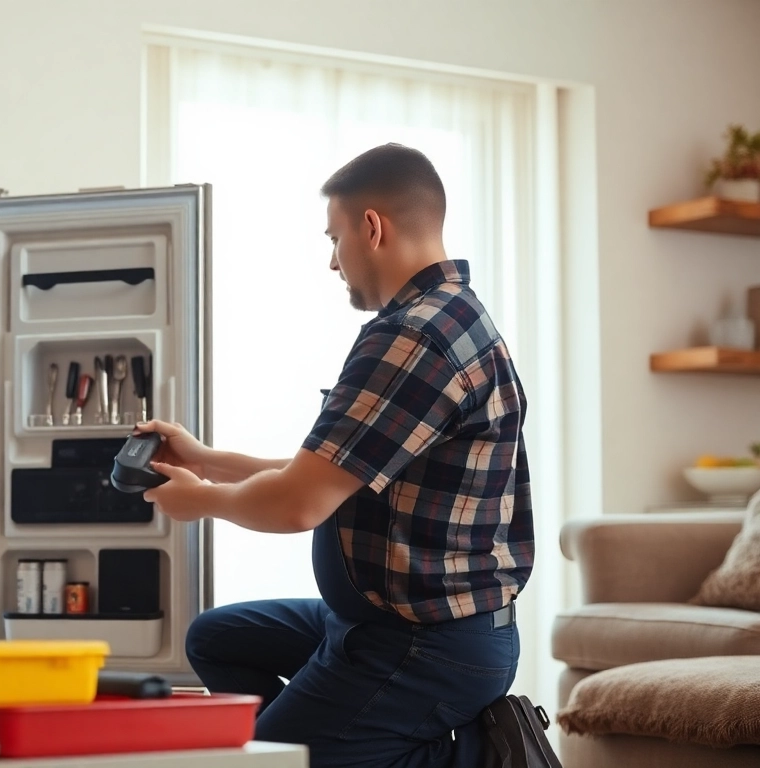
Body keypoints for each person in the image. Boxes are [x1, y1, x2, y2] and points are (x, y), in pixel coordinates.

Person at [137, 143, 560, 767]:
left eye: (334, 239)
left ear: (372, 227)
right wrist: (206, 460)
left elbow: (298, 504)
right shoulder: (449, 317)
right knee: (219, 638)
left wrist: (199, 502)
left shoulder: (413, 335)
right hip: (384, 621)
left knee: (264, 763)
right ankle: (342, 739)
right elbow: (330, 473)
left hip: (424, 643)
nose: (333, 261)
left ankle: (463, 758)